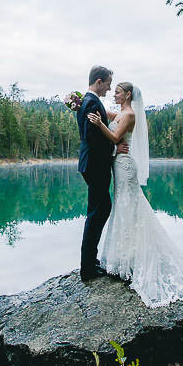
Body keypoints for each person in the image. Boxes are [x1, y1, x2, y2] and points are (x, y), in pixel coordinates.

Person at [87, 82, 183, 307]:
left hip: (125, 166)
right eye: (113, 91)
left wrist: (100, 124)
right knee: (123, 207)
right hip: (119, 164)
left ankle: (130, 259)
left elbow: (114, 139)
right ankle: (125, 257)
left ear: (128, 95)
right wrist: (82, 107)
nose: (114, 94)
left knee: (127, 206)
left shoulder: (130, 114)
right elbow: (109, 115)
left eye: (118, 92)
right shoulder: (122, 112)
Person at [76, 65, 126, 281]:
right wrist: (114, 148)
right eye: (107, 84)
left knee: (96, 211)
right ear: (98, 81)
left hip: (92, 165)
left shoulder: (87, 101)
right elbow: (92, 138)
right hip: (95, 165)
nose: (109, 89)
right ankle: (87, 268)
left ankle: (90, 260)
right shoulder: (91, 102)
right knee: (99, 211)